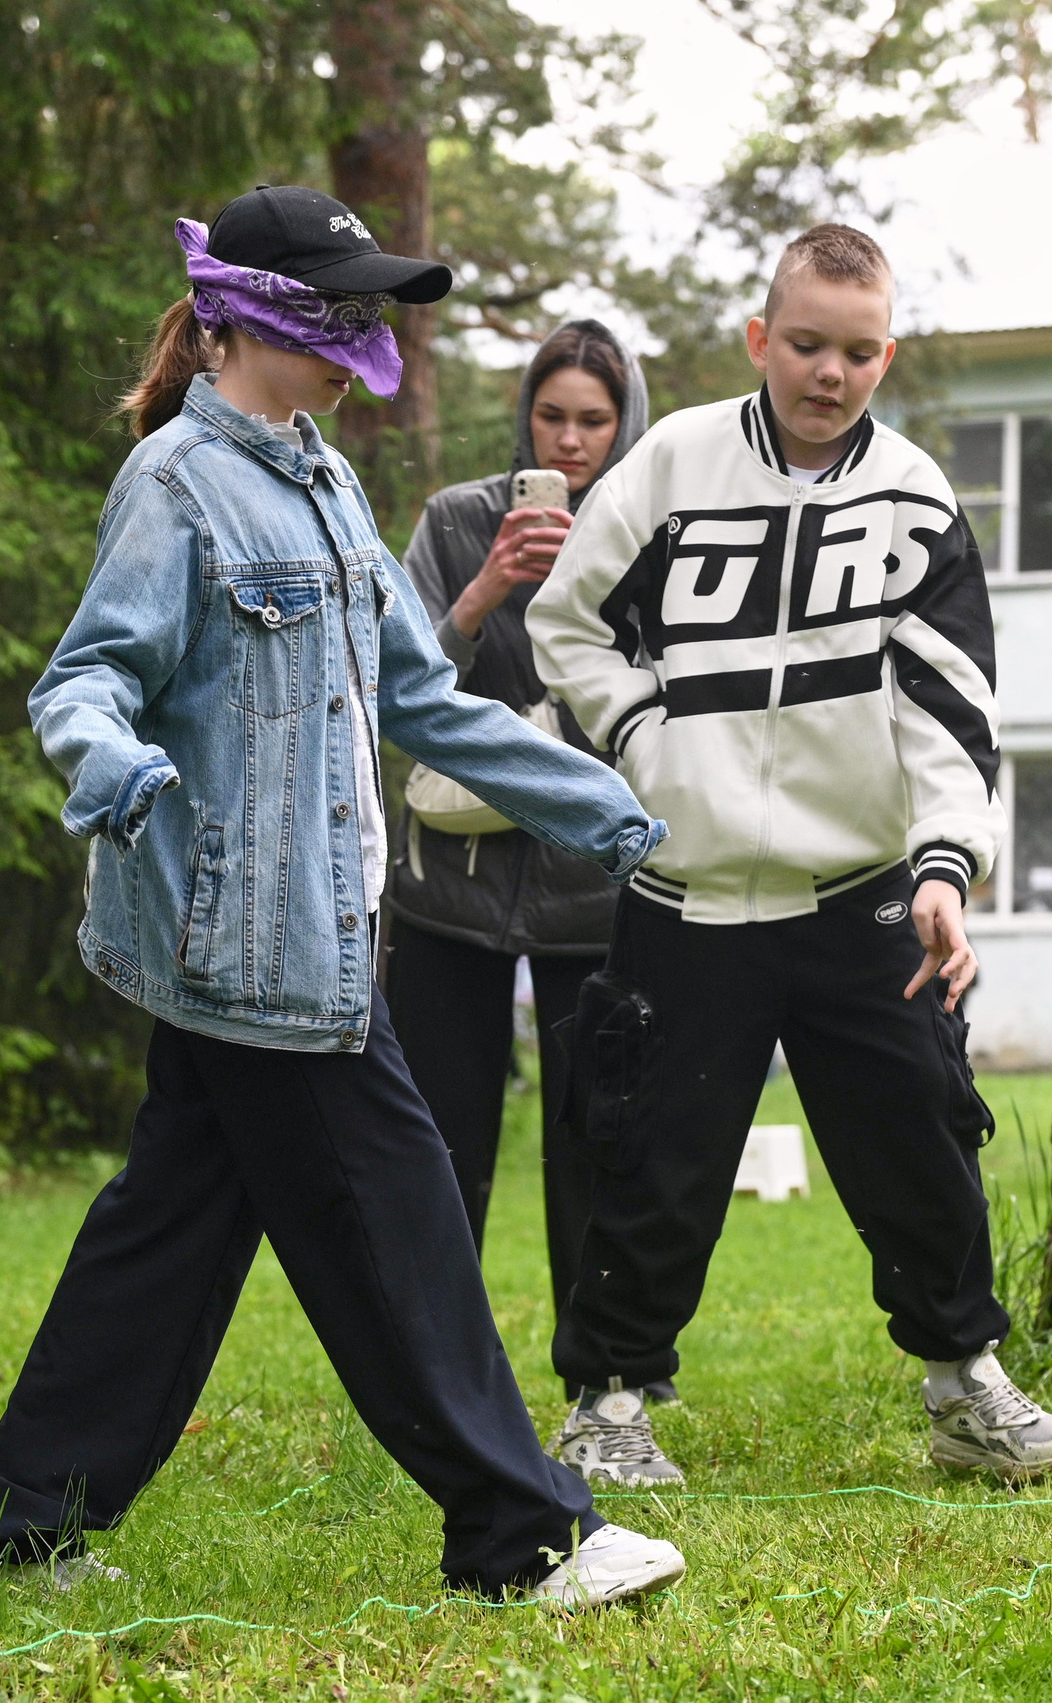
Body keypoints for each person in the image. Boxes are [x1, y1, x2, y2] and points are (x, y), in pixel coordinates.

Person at [0, 186, 688, 1610]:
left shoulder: (326, 483)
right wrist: (110, 763)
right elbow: (85, 676)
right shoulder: (173, 483)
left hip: (321, 933)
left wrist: (609, 810)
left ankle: (8, 1523)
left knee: (169, 1234)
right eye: (335, 312)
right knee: (400, 1225)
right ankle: (525, 1534)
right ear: (245, 317)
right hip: (249, 944)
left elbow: (425, 698)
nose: (359, 339)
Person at [526, 225, 1052, 1488]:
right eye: (806, 343)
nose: (830, 372)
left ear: (886, 356)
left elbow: (949, 707)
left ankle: (964, 1384)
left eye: (858, 350)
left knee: (920, 1139)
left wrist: (942, 867)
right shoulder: (671, 464)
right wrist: (644, 735)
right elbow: (567, 625)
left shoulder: (914, 498)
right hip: (686, 892)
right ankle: (608, 1404)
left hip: (861, 895)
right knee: (649, 1152)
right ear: (759, 339)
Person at [383, 321, 659, 1348]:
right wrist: (485, 589)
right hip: (449, 881)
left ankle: (608, 1359)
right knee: (439, 1133)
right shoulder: (459, 518)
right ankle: (432, 1356)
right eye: (551, 416)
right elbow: (392, 680)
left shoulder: (653, 525)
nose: (571, 440)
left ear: (626, 422)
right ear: (524, 417)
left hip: (595, 881)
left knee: (599, 1127)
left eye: (594, 419)